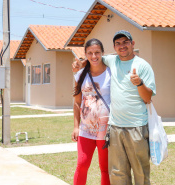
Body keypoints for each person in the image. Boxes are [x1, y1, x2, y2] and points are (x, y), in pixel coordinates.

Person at [72, 30, 156, 185]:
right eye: (118, 43)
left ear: (132, 43)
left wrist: (139, 83)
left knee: (131, 170)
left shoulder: (134, 66)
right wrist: (82, 63)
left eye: (125, 42)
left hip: (125, 127)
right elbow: (93, 60)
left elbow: (148, 97)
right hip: (106, 128)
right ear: (114, 47)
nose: (122, 46)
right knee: (115, 171)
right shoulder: (98, 67)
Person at [72, 38, 111, 185]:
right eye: (90, 53)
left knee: (105, 168)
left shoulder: (110, 73)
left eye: (97, 52)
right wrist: (76, 126)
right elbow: (76, 102)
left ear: (102, 53)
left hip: (105, 130)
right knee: (82, 165)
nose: (94, 56)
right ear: (85, 54)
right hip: (86, 129)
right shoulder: (80, 75)